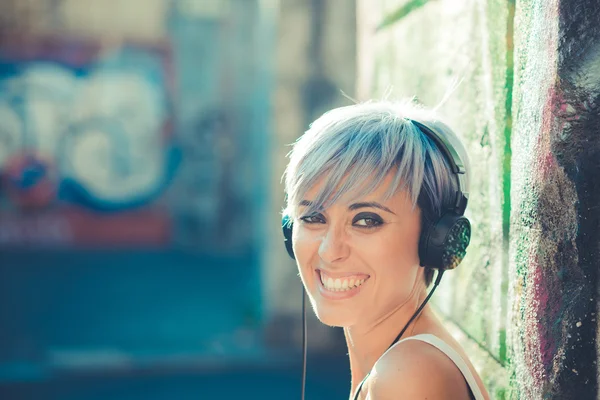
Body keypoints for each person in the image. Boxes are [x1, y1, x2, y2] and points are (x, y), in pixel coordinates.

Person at [281, 100, 490, 399]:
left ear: (435, 237)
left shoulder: (407, 377)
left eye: (366, 220)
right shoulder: (400, 363)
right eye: (313, 218)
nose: (330, 251)